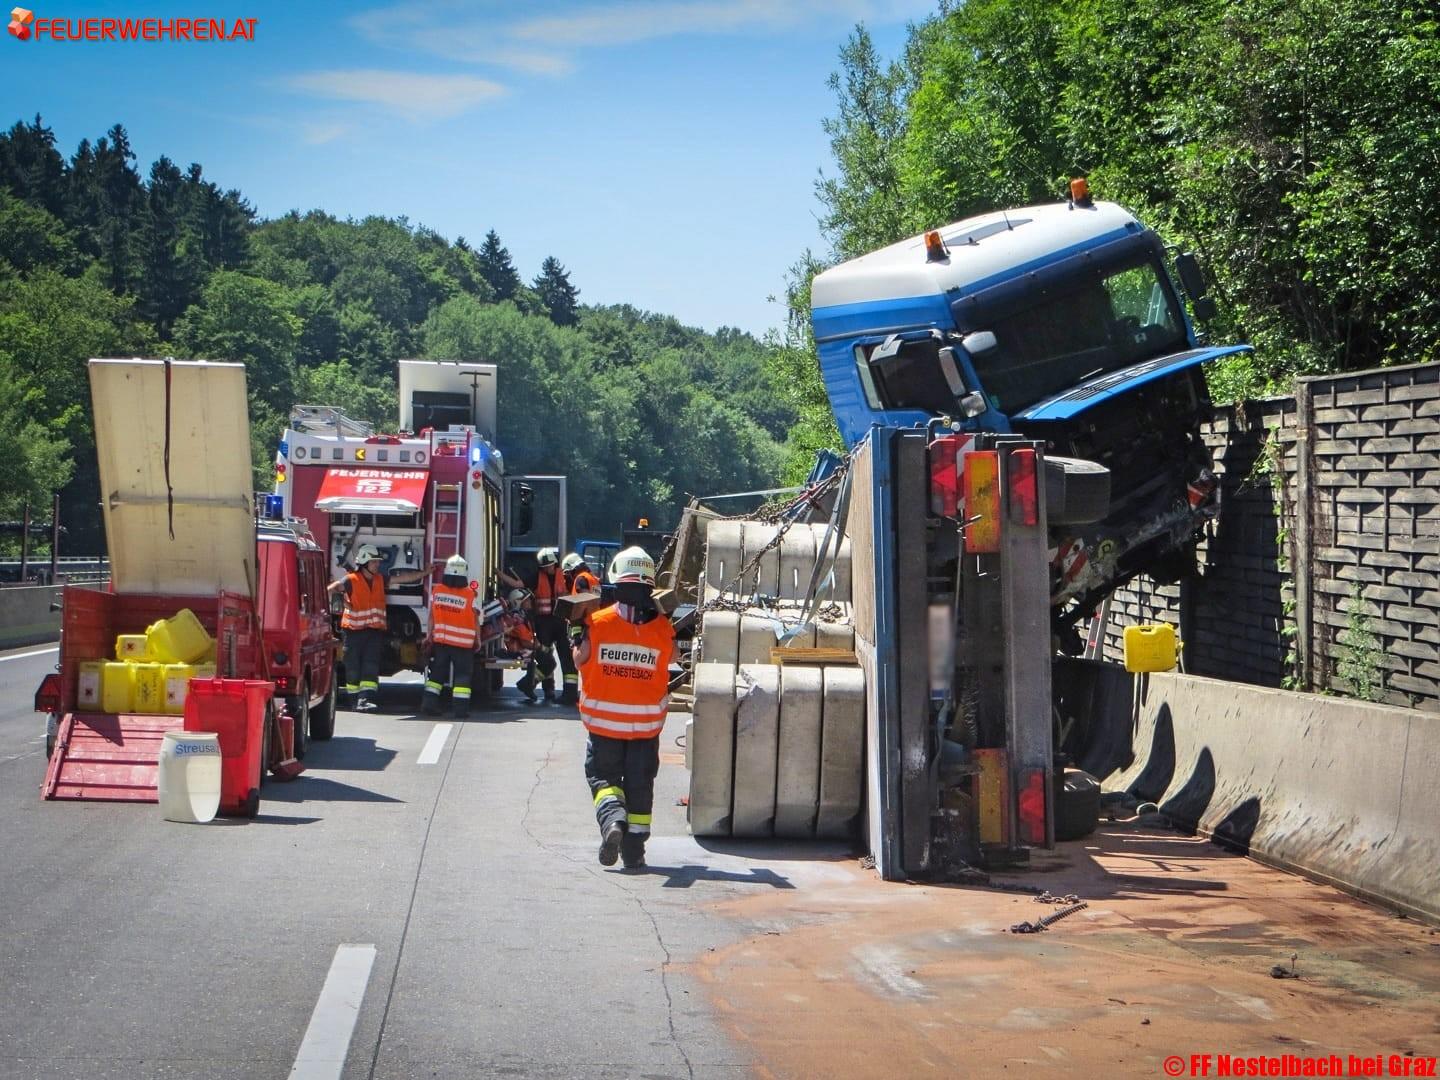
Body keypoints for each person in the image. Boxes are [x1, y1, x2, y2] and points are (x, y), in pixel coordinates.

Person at [574, 545, 675, 870]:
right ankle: (635, 853)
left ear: (616, 582)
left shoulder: (597, 622)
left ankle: (613, 820)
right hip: (645, 729)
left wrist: (576, 634)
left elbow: (581, 659)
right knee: (640, 786)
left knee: (603, 779)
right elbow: (672, 659)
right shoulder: (662, 629)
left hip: (604, 726)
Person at [328, 544, 428, 712]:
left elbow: (402, 579)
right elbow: (330, 590)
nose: (377, 565)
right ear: (365, 562)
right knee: (353, 666)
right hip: (353, 632)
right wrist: (344, 603)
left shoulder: (380, 579)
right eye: (374, 562)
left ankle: (365, 699)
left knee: (371, 666)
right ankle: (354, 699)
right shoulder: (351, 580)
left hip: (373, 632)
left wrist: (423, 574)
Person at [502, 548, 578, 706]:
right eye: (545, 567)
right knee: (546, 656)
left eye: (550, 566)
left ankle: (570, 692)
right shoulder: (537, 576)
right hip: (544, 624)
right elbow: (518, 584)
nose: (548, 569)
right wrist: (498, 574)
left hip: (561, 621)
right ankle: (548, 690)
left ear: (555, 563)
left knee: (567, 657)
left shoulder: (564, 575)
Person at [423, 554, 480, 718]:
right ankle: (460, 710)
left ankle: (429, 704)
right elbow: (475, 618)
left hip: (441, 641)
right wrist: (478, 639)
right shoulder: (470, 595)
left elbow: (432, 616)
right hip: (463, 645)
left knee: (437, 675)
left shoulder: (437, 590)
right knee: (462, 676)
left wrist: (429, 635)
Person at [505, 588, 555, 703]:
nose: (529, 603)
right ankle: (527, 684)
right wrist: (541, 648)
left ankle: (529, 683)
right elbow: (525, 642)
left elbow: (529, 637)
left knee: (548, 660)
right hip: (519, 650)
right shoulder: (517, 618)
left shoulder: (522, 616)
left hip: (525, 648)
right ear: (518, 602)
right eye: (526, 601)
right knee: (549, 662)